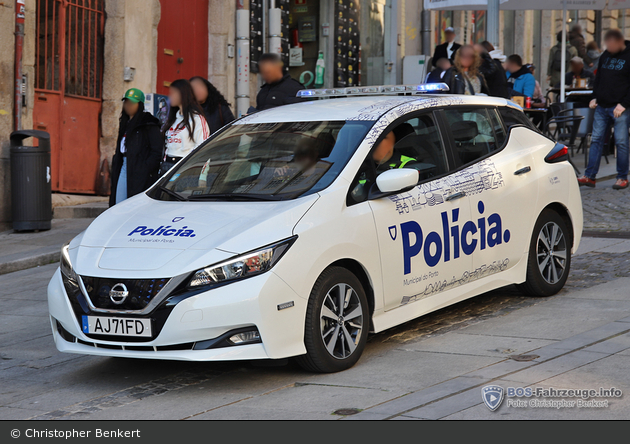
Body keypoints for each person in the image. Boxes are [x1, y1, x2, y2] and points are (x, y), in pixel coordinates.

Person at [578, 29, 630, 190]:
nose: (609, 48)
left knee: (621, 142)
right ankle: (590, 176)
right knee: (596, 140)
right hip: (602, 105)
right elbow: (599, 77)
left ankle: (622, 177)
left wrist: (624, 104)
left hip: (620, 107)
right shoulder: (605, 55)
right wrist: (594, 97)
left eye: (612, 45)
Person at [110, 88, 162, 206]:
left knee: (133, 205)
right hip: (124, 166)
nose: (128, 106)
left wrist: (144, 168)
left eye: (132, 103)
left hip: (139, 169)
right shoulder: (125, 123)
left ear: (140, 104)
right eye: (126, 102)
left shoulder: (148, 124)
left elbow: (156, 151)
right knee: (119, 203)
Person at [161, 79, 210, 175]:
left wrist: (203, 177)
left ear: (183, 93)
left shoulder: (197, 119)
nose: (170, 96)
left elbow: (204, 150)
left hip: (185, 168)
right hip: (167, 168)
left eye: (173, 93)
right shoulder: (173, 119)